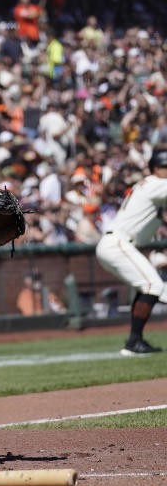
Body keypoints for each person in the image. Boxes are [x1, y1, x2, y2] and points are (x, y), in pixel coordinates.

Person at [95, 148, 167, 356]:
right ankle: (134, 342)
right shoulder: (155, 183)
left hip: (118, 244)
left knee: (146, 287)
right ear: (155, 168)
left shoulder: (153, 188)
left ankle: (135, 341)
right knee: (153, 285)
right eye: (165, 167)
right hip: (117, 243)